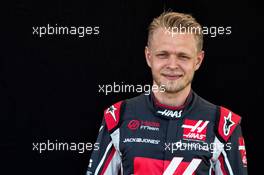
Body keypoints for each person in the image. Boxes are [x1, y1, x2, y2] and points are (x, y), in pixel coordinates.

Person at [86, 11, 248, 175]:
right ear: (149, 57)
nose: (172, 65)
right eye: (163, 55)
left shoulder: (224, 125)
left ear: (198, 60)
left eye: (183, 56)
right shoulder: (117, 117)